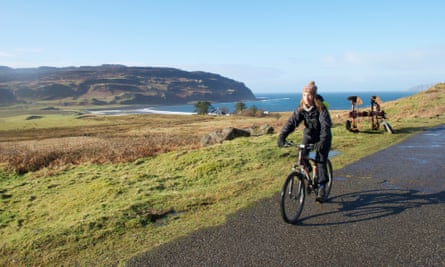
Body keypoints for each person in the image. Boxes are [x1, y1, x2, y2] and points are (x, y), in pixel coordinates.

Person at [277, 81, 332, 202]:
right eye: (304, 94)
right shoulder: (302, 108)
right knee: (302, 154)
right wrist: (282, 136)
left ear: (314, 96)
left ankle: (322, 186)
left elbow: (325, 127)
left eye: (309, 95)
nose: (307, 97)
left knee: (320, 159)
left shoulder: (321, 108)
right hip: (309, 134)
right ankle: (308, 172)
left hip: (323, 136)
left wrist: (322, 142)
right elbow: (292, 122)